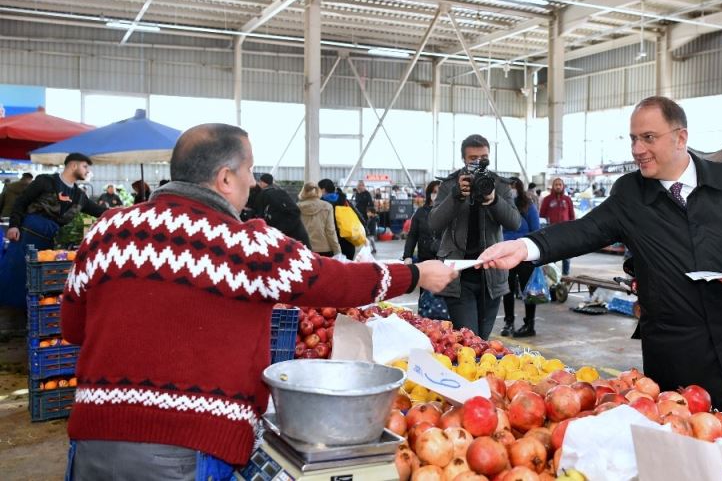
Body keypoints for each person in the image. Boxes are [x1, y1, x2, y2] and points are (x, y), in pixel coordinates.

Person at [60, 123, 458, 479]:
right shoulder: (243, 243)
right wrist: (417, 274)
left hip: (94, 437)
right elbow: (334, 280)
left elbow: (72, 327)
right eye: (249, 171)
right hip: (188, 448)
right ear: (225, 178)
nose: (253, 182)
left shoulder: (107, 230)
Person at [478, 96, 722, 414]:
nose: (637, 149)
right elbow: (584, 231)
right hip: (678, 360)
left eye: (648, 138)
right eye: (634, 139)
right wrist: (525, 247)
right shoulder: (631, 194)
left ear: (680, 137)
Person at [429, 134, 520, 340]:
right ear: (464, 159)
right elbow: (434, 223)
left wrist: (494, 199)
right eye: (473, 159)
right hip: (459, 276)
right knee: (469, 340)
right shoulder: (451, 184)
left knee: (482, 341)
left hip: (491, 275)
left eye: (484, 157)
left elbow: (515, 222)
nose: (479, 162)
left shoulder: (498, 184)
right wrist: (456, 195)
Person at [0, 154, 105, 308]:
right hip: (26, 234)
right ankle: (7, 317)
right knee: (15, 275)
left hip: (48, 241)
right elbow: (21, 202)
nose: (87, 171)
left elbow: (99, 211)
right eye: (85, 166)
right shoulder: (45, 181)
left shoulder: (79, 196)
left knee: (37, 282)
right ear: (73, 166)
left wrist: (125, 211)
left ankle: (29, 316)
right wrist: (14, 225)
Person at [501, 177, 540, 338]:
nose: (511, 190)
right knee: (507, 290)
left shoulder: (528, 206)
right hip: (506, 254)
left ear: (519, 188)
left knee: (528, 291)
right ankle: (508, 322)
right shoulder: (502, 207)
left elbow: (536, 229)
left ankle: (529, 324)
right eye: (508, 187)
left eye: (513, 187)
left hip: (525, 255)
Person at [253, 173, 310, 247]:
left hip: (291, 242)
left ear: (263, 182)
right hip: (293, 241)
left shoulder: (271, 194)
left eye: (259, 182)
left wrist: (277, 231)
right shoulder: (274, 192)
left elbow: (293, 213)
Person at [318, 178, 364, 260]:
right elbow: (358, 217)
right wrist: (365, 229)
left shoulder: (321, 204)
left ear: (323, 190)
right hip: (348, 241)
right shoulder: (344, 200)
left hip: (330, 245)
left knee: (333, 270)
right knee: (347, 270)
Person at [538, 177, 575, 276]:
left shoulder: (567, 200)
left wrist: (573, 230)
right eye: (556, 185)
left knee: (566, 255)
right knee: (552, 256)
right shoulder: (547, 199)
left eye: (560, 184)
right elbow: (542, 216)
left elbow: (572, 216)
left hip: (566, 232)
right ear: (553, 186)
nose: (558, 186)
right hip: (551, 232)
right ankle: (552, 278)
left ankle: (566, 277)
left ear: (563, 186)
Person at [297, 182, 341, 257]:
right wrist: (337, 250)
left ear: (303, 192)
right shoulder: (327, 206)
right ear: (318, 191)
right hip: (324, 249)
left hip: (304, 248)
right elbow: (330, 231)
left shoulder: (297, 207)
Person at [403, 180, 440, 265]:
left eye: (440, 192)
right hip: (424, 258)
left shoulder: (448, 212)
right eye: (434, 192)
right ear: (429, 193)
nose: (437, 195)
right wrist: (408, 256)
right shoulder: (420, 212)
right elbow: (412, 235)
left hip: (443, 258)